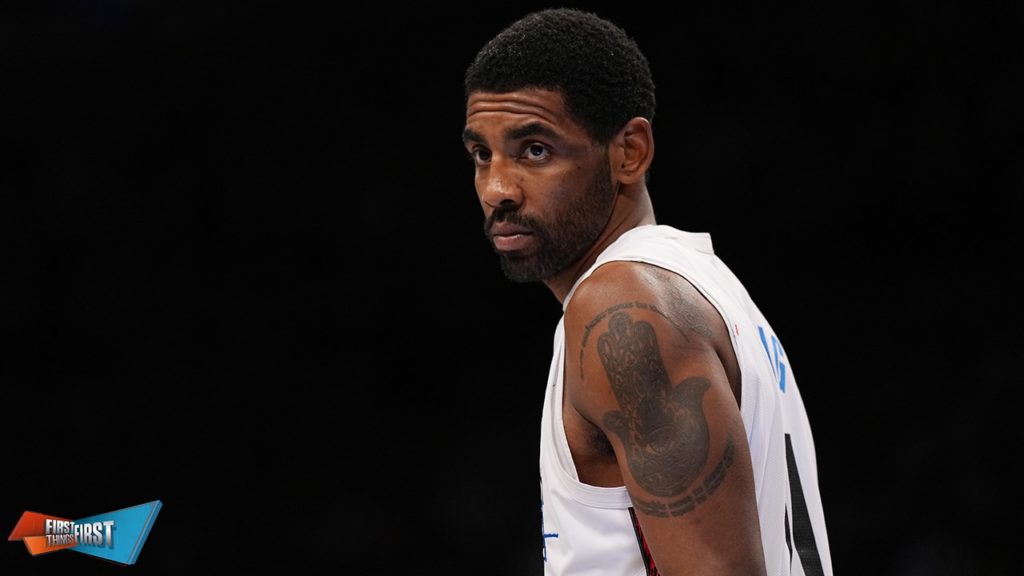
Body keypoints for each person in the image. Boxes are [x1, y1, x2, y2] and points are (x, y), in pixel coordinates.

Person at [462, 7, 833, 576]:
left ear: (630, 152)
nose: (497, 189)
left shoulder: (620, 305)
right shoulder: (704, 284)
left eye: (536, 150)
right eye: (482, 155)